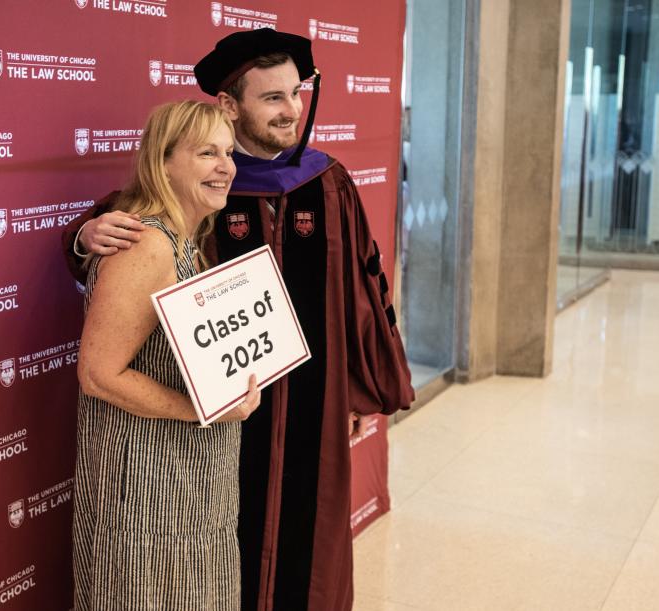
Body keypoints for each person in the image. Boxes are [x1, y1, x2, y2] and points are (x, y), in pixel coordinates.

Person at [64, 30, 414, 611]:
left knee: (304, 533)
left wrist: (354, 388)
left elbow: (362, 284)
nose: (291, 109)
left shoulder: (329, 182)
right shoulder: (187, 187)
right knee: (212, 551)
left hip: (311, 395)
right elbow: (125, 236)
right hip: (212, 408)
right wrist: (82, 235)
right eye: (272, 98)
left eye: (295, 94)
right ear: (230, 105)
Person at [73, 100, 261, 611]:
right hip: (146, 488)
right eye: (207, 153)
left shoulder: (189, 238)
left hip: (191, 482)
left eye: (228, 152)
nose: (226, 167)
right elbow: (98, 374)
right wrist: (202, 409)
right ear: (163, 161)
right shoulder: (147, 244)